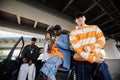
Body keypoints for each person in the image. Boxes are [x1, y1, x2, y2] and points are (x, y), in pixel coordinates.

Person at [69, 12, 112, 80]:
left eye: (81, 16)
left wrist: (91, 47)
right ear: (75, 20)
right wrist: (93, 59)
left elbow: (102, 40)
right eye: (77, 17)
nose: (80, 18)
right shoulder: (73, 33)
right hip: (82, 62)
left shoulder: (94, 28)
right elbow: (77, 49)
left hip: (98, 59)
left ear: (85, 18)